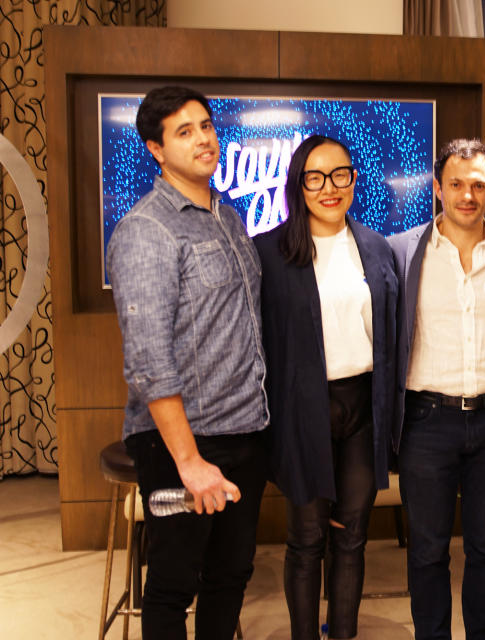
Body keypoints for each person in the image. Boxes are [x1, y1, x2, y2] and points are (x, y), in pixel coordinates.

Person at [106, 85, 269, 639]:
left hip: (246, 432)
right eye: (184, 131)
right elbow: (148, 360)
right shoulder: (146, 231)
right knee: (174, 586)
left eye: (205, 125)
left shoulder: (230, 219)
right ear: (156, 148)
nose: (203, 139)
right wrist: (189, 461)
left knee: (230, 577)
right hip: (185, 443)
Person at [389, 138, 485, 640]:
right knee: (427, 551)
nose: (467, 195)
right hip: (427, 421)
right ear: (437, 188)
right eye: (455, 184)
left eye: (478, 185)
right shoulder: (401, 252)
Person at [254, 134, 397, 640]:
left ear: (354, 179)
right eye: (315, 177)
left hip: (362, 407)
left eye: (339, 175)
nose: (329, 188)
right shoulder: (270, 252)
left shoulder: (376, 248)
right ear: (299, 185)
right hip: (301, 410)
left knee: (352, 537)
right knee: (308, 539)